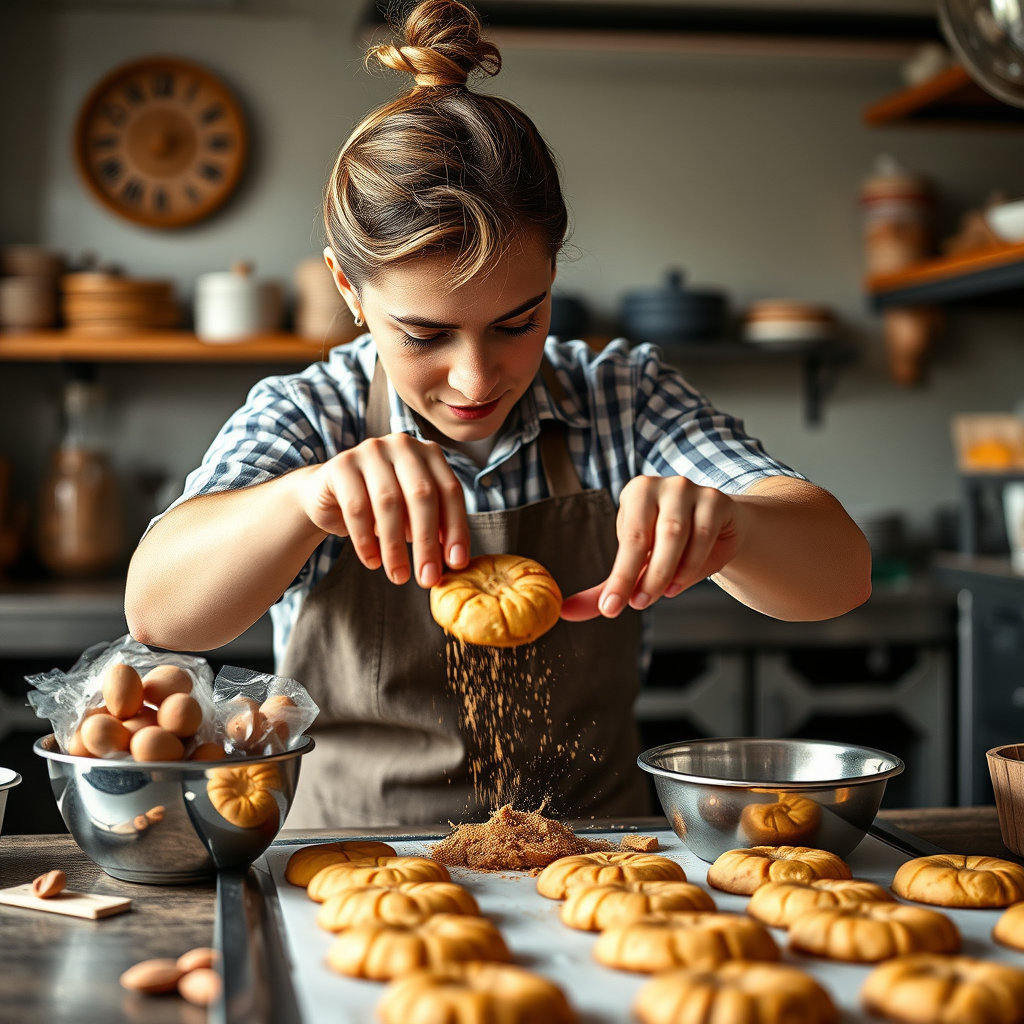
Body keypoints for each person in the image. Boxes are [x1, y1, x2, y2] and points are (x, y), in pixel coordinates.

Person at [126, 0, 871, 828]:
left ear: (551, 273)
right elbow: (158, 613)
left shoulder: (621, 399)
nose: (476, 377)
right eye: (425, 335)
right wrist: (304, 501)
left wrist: (735, 522)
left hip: (593, 867)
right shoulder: (311, 415)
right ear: (348, 289)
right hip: (353, 868)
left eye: (518, 321)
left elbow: (841, 578)